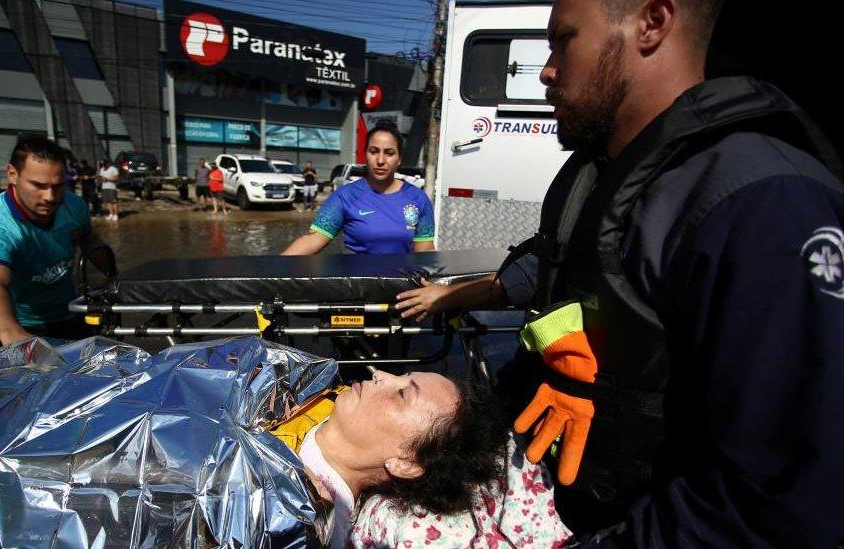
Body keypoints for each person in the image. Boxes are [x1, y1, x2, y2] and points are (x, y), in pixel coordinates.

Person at [394, 0, 844, 546]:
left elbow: (777, 501)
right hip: (576, 502)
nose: (545, 69)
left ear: (651, 23)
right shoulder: (593, 180)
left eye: (564, 39)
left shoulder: (763, 203)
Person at [290, 370, 517, 548]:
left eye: (402, 394)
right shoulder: (310, 385)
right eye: (401, 376)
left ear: (406, 464)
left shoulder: (307, 521)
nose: (380, 375)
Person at [0, 135, 114, 348]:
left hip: (70, 313)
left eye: (58, 186)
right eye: (38, 185)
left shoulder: (74, 206)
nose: (49, 196)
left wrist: (116, 278)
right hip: (19, 324)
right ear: (12, 174)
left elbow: (89, 240)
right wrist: (13, 334)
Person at [282, 121, 435, 255]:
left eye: (389, 153)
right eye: (374, 151)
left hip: (405, 284)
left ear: (399, 159)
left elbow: (425, 248)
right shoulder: (345, 196)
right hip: (359, 285)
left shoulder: (417, 198)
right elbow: (314, 239)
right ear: (365, 155)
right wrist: (274, 269)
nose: (380, 160)